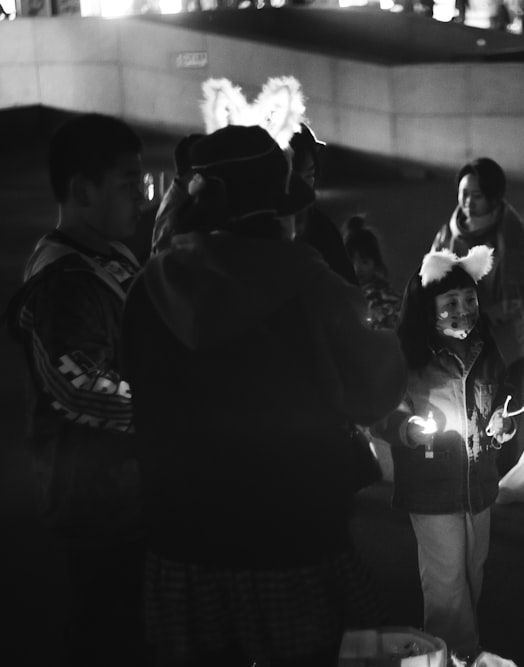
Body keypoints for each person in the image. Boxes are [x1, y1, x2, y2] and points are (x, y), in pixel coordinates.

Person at [121, 125, 408, 667]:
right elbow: (375, 389)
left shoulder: (149, 284)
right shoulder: (309, 282)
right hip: (290, 534)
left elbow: (135, 385)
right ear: (273, 211)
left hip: (181, 536)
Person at [4, 113, 148, 666]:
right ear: (83, 190)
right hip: (97, 496)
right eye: (129, 184)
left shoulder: (107, 253)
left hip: (120, 488)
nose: (141, 198)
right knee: (108, 631)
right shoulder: (65, 278)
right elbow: (78, 387)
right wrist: (173, 407)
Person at [383, 246, 518, 662]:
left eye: (470, 300)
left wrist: (503, 425)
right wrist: (406, 430)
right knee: (446, 586)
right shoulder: (408, 359)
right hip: (431, 491)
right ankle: (452, 656)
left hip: (478, 487)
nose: (464, 310)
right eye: (451, 303)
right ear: (428, 309)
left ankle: (463, 651)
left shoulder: (485, 351)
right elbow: (380, 414)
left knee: (473, 577)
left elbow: (499, 405)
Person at [430, 158, 524, 475]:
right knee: (462, 415)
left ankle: (504, 482)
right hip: (459, 345)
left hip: (503, 346)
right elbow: (430, 279)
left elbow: (520, 296)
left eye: (476, 195)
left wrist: (479, 318)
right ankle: (468, 483)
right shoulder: (449, 232)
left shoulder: (510, 232)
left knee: (502, 418)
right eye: (463, 193)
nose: (467, 202)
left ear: (493, 197)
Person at [290, 123, 359, 285]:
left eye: (309, 175)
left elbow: (349, 297)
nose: (303, 189)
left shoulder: (320, 228)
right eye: (293, 178)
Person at [344, 214, 403, 332]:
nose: (357, 269)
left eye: (364, 262)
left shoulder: (388, 300)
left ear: (375, 263)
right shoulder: (339, 295)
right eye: (351, 262)